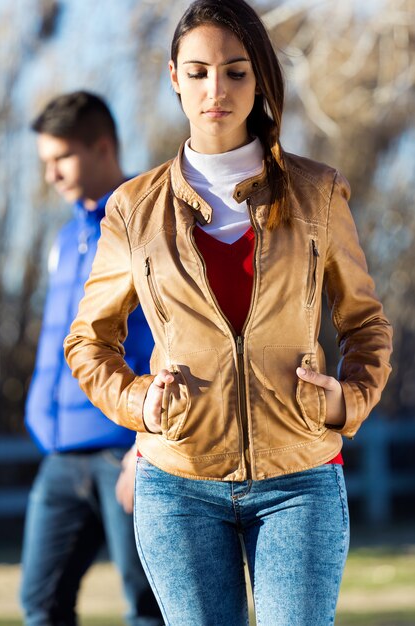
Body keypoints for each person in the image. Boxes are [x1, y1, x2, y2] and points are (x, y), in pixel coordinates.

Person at [64, 2, 393, 624]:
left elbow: (365, 324)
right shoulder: (134, 208)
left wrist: (347, 401)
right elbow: (89, 341)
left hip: (300, 478)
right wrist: (138, 402)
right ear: (173, 78)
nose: (216, 89)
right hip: (178, 482)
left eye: (236, 72)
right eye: (198, 72)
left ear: (260, 79)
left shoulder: (317, 192)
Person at [20, 91, 163, 626]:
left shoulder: (151, 225)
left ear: (102, 147)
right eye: (44, 162)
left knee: (148, 609)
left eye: (61, 158)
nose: (51, 174)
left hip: (126, 454)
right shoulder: (64, 237)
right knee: (40, 605)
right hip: (59, 458)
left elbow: (175, 342)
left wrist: (144, 444)